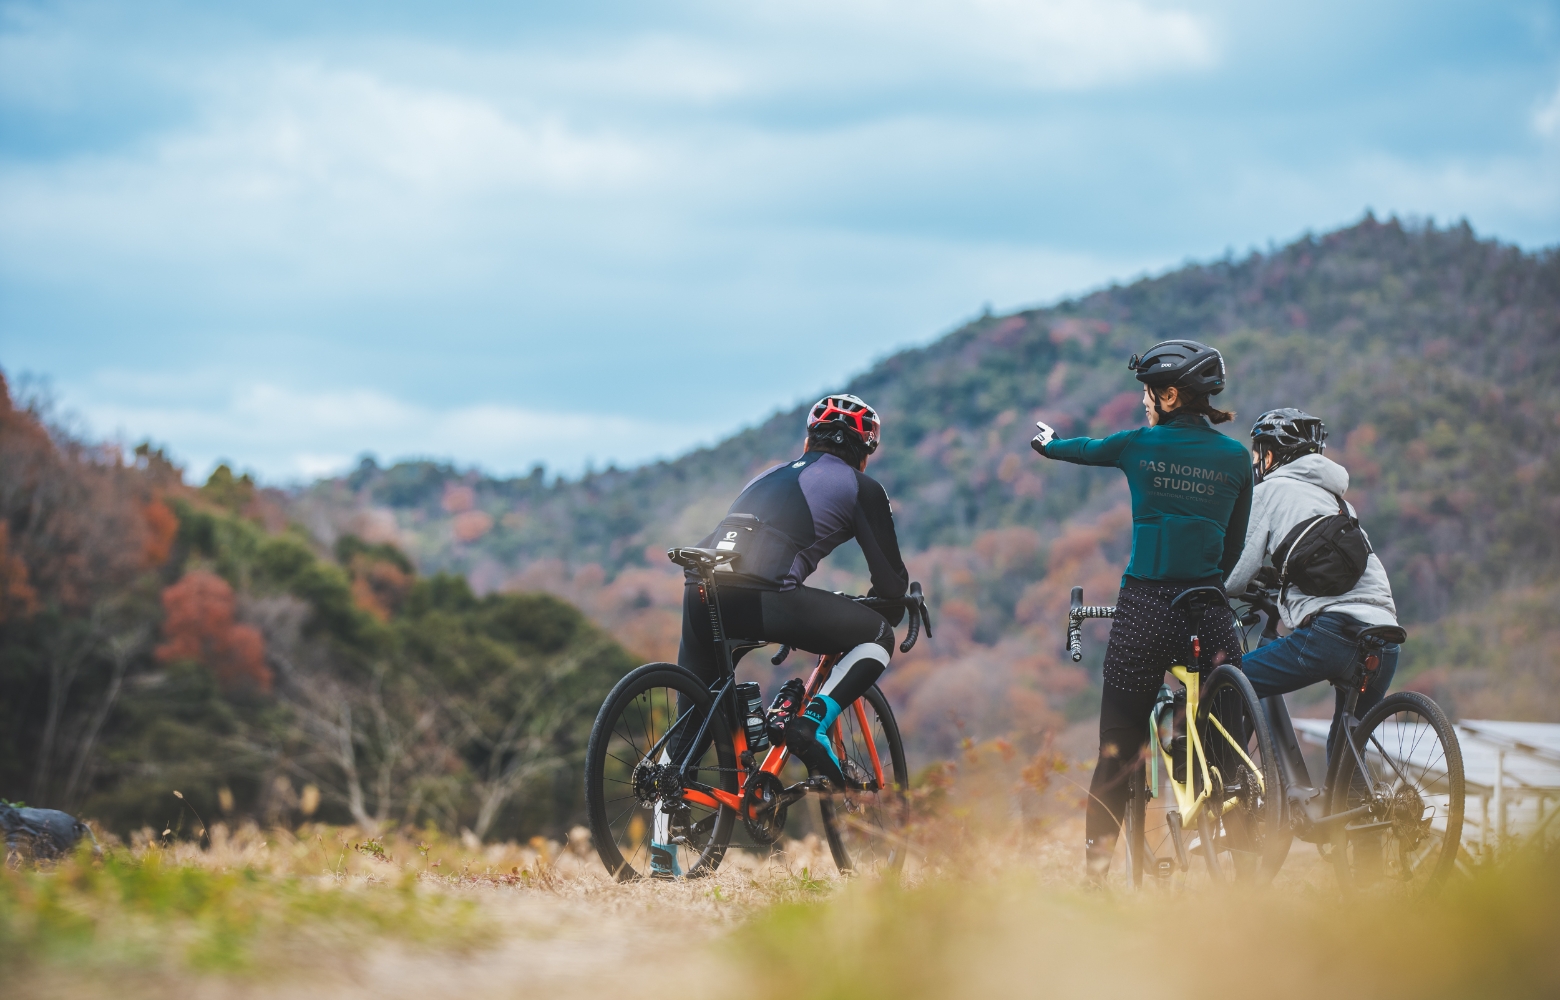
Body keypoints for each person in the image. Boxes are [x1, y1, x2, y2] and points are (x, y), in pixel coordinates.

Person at [653, 393, 909, 877]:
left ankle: (661, 858)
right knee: (875, 635)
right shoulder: (861, 487)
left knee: (693, 719)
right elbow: (891, 588)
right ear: (864, 447)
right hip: (766, 593)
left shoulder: (767, 475)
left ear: (810, 439)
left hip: (702, 589)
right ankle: (810, 721)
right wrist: (888, 607)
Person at [1031, 339, 1252, 885]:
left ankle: (1096, 876)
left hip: (1148, 607)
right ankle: (1233, 820)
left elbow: (1085, 449)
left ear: (1171, 395)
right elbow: (1235, 545)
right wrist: (1209, 581)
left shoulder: (1139, 445)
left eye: (1150, 393)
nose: (1145, 403)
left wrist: (1049, 444)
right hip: (1210, 607)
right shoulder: (1236, 457)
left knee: (1118, 747)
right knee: (1231, 728)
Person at [1224, 408, 1399, 759]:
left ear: (1270, 455)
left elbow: (1235, 577)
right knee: (1346, 755)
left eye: (1258, 453)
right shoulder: (1339, 503)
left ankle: (1233, 785)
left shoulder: (1270, 491)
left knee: (1230, 682)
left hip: (1332, 635)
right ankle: (1370, 812)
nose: (1256, 462)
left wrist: (1218, 586)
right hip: (1385, 637)